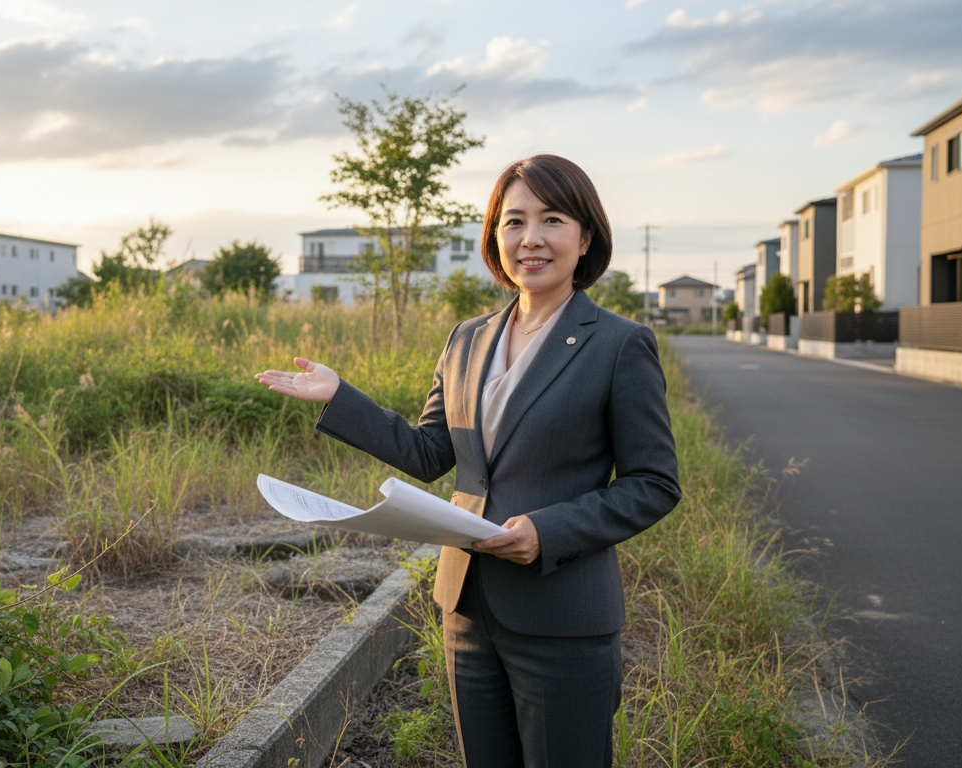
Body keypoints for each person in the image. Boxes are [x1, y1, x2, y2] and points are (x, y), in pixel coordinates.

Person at [255, 154, 681, 767]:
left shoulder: (618, 344)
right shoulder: (467, 338)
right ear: (495, 237)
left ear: (585, 237)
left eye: (552, 219)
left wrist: (548, 530)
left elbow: (653, 483)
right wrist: (340, 397)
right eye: (513, 222)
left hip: (562, 617)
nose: (530, 238)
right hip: (467, 609)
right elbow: (432, 453)